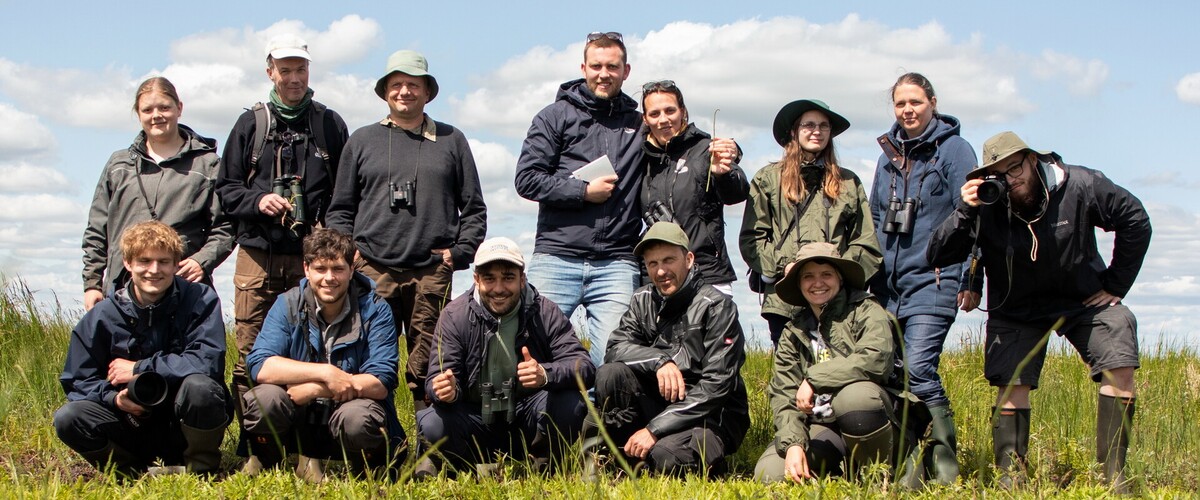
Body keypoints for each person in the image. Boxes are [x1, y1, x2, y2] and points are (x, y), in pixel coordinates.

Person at [928, 131, 1151, 491]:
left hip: (1083, 299)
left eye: (1015, 168)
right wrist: (965, 210)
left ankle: (1113, 477)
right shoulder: (986, 203)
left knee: (1119, 343)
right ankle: (1010, 478)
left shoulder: (1080, 184)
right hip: (1016, 307)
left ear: (1033, 160)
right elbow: (937, 254)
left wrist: (1115, 285)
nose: (1011, 180)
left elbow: (1135, 219)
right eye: (999, 174)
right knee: (1011, 383)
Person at [327, 49, 487, 415]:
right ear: (384, 91)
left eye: (413, 85)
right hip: (371, 269)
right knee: (368, 352)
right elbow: (340, 208)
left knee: (430, 359)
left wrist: (456, 255)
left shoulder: (452, 140)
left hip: (430, 270)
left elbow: (474, 208)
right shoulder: (362, 140)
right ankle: (371, 433)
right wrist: (350, 255)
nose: (404, 92)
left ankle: (428, 440)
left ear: (427, 91)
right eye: (396, 84)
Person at [216, 34, 349, 421]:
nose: (294, 78)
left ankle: (308, 446)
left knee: (310, 348)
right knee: (249, 352)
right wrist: (258, 202)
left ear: (310, 71)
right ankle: (256, 446)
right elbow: (225, 189)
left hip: (313, 259)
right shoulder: (250, 124)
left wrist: (330, 238)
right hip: (257, 255)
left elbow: (345, 192)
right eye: (286, 69)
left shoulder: (329, 124)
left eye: (301, 69)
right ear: (270, 71)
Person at [868, 73, 979, 486]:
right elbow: (878, 217)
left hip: (936, 279)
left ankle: (946, 464)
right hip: (888, 287)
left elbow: (973, 216)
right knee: (894, 372)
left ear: (932, 102)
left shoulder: (954, 150)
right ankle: (910, 466)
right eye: (900, 104)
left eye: (915, 102)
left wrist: (972, 277)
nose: (907, 110)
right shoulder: (887, 156)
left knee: (919, 368)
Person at [55, 221, 232, 476]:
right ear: (128, 263)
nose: (154, 270)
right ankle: (131, 473)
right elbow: (77, 381)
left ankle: (201, 470)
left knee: (201, 388)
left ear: (176, 264)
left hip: (183, 418)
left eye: (163, 261)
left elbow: (208, 361)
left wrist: (139, 368)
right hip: (130, 421)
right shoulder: (102, 315)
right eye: (144, 261)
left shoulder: (200, 299)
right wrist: (114, 398)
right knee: (69, 417)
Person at [514, 31, 644, 367]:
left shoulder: (639, 123)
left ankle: (600, 421)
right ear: (583, 67)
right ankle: (542, 420)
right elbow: (526, 179)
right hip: (557, 255)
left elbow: (678, 139)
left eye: (612, 67)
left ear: (626, 71)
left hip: (617, 261)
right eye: (597, 65)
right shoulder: (554, 116)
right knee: (533, 351)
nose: (604, 73)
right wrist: (583, 192)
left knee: (616, 358)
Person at [241, 228, 405, 481]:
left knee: (358, 418)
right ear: (306, 269)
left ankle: (366, 471)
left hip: (347, 411)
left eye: (338, 269)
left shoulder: (375, 308)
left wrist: (316, 389)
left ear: (352, 269)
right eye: (320, 269)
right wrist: (325, 373)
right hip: (298, 413)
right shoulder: (287, 303)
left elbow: (381, 381)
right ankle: (267, 460)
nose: (329, 278)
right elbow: (261, 366)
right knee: (266, 399)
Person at [419, 237, 594, 474]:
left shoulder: (545, 312)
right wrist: (445, 391)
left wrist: (545, 374)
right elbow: (434, 379)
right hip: (474, 417)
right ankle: (463, 468)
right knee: (432, 423)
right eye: (489, 278)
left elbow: (584, 366)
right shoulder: (454, 315)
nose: (499, 288)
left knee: (570, 404)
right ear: (476, 279)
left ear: (522, 279)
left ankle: (542, 464)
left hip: (527, 416)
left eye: (508, 277)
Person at [588, 222, 749, 476]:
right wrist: (659, 360)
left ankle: (700, 458)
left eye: (669, 260)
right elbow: (615, 348)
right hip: (660, 404)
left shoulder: (718, 307)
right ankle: (624, 454)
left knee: (666, 457)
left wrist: (654, 429)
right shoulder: (642, 299)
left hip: (710, 415)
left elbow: (717, 386)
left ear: (688, 259)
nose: (661, 271)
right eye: (652, 264)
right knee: (610, 373)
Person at [754, 242, 906, 483]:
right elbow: (784, 393)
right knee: (769, 474)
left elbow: (876, 358)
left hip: (878, 421)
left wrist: (815, 379)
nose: (817, 283)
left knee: (855, 398)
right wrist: (793, 443)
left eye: (826, 274)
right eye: (808, 277)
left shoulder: (866, 310)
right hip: (824, 426)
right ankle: (844, 472)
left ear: (840, 279)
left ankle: (881, 475)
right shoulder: (793, 330)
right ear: (799, 284)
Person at [82, 76, 233, 311]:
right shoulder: (119, 164)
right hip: (122, 288)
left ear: (179, 108)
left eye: (164, 107)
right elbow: (97, 229)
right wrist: (92, 283)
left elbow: (226, 226)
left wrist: (201, 261)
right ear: (138, 113)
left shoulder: (208, 165)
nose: (156, 115)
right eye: (148, 109)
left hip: (183, 288)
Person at [739, 99, 881, 346]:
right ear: (794, 131)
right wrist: (787, 267)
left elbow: (866, 244)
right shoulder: (768, 179)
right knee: (790, 375)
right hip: (785, 300)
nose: (817, 131)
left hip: (837, 301)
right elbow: (752, 239)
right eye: (809, 125)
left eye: (824, 126)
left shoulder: (849, 182)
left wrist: (840, 274)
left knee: (838, 371)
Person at [638, 80, 748, 295]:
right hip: (658, 279)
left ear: (683, 112)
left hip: (707, 274)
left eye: (670, 110)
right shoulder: (640, 159)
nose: (663, 119)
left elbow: (738, 193)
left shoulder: (705, 149)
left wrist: (722, 173)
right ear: (645, 119)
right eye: (654, 113)